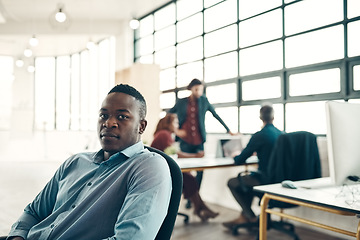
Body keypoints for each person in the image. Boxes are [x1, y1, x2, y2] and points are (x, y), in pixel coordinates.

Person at [6, 84, 172, 240]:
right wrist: (17, 237)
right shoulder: (75, 162)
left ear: (141, 126)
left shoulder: (148, 167)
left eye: (122, 117)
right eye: (103, 116)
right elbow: (33, 212)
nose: (109, 123)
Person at [168, 78, 233, 207]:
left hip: (199, 141)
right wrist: (176, 130)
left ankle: (194, 196)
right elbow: (168, 115)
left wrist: (228, 130)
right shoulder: (181, 102)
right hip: (185, 141)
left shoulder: (204, 101)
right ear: (191, 89)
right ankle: (189, 196)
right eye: (197, 89)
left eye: (201, 89)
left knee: (201, 170)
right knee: (185, 171)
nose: (199, 92)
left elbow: (216, 115)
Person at [222, 104, 283, 229]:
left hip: (265, 180)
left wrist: (235, 155)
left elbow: (240, 160)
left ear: (260, 117)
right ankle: (244, 217)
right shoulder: (282, 134)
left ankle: (250, 216)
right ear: (273, 117)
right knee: (246, 182)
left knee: (233, 182)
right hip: (280, 180)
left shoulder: (259, 135)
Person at [151, 113, 219, 222]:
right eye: (176, 122)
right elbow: (177, 154)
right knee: (189, 178)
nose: (178, 125)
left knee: (188, 177)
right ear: (169, 123)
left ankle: (200, 208)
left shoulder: (164, 134)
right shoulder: (164, 134)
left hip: (162, 171)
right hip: (160, 174)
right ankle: (200, 208)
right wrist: (196, 156)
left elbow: (173, 153)